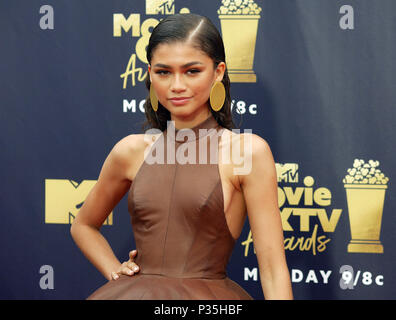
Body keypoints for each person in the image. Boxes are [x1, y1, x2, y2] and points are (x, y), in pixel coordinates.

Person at [70, 13, 293, 300]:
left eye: (191, 71)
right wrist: (115, 273)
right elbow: (83, 225)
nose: (176, 85)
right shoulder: (130, 150)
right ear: (150, 73)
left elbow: (273, 269)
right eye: (164, 72)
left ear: (218, 71)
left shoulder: (247, 151)